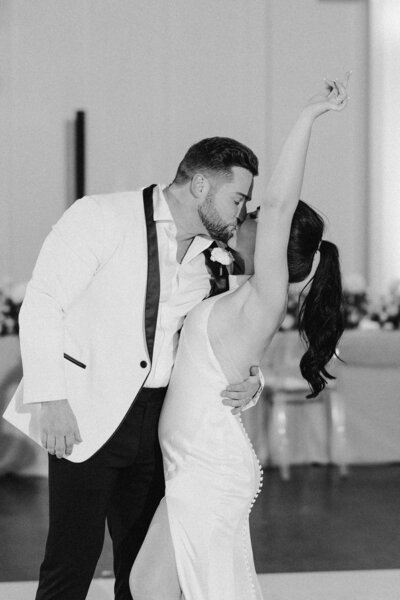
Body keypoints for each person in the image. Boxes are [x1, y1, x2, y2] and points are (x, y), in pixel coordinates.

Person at [3, 135, 265, 599]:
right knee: (70, 564)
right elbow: (42, 304)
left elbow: (220, 337)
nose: (241, 213)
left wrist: (252, 381)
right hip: (84, 415)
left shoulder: (216, 257)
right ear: (201, 185)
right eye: (237, 198)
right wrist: (52, 398)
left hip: (160, 424)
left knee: (143, 573)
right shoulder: (100, 216)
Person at [130, 73, 350, 600]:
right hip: (193, 465)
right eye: (244, 209)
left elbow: (277, 206)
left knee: (170, 588)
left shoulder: (264, 299)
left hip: (209, 467)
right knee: (162, 586)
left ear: (276, 246)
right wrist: (248, 379)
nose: (245, 215)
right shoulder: (235, 290)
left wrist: (308, 115)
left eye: (251, 215)